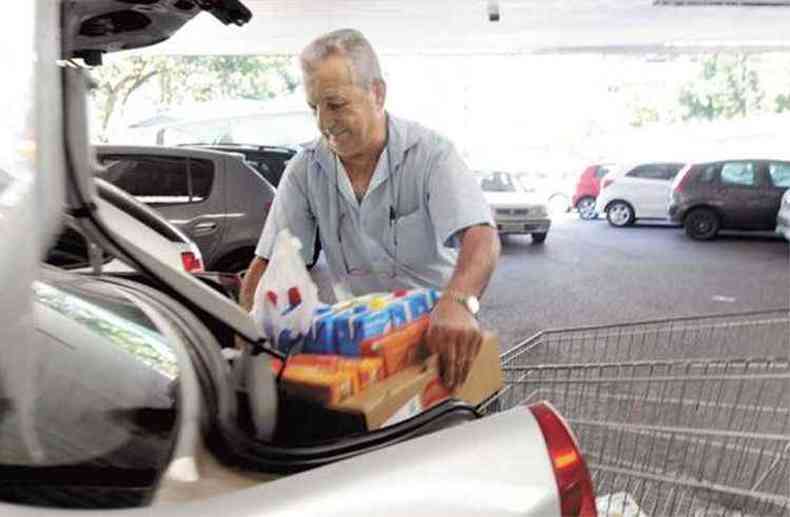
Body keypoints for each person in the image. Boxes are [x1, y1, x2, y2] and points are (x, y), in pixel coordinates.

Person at [240, 28, 500, 389]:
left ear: (376, 93)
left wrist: (458, 302)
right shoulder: (306, 168)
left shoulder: (430, 154)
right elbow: (267, 263)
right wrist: (248, 335)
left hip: (440, 341)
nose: (322, 122)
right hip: (362, 348)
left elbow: (481, 236)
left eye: (335, 104)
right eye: (314, 108)